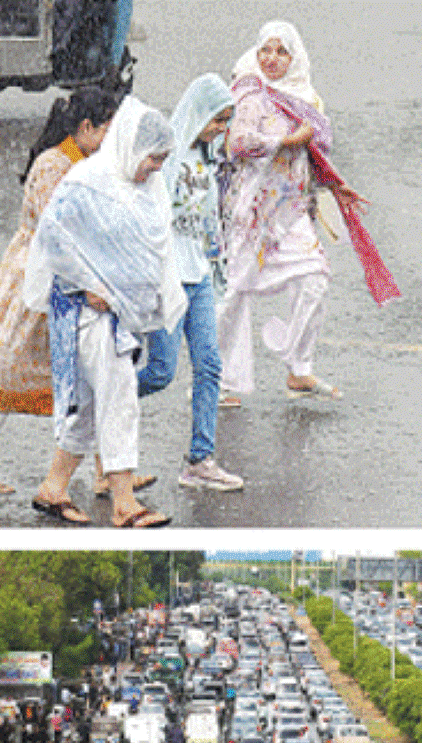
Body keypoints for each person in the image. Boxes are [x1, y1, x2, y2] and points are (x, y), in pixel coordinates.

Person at [21, 95, 184, 529]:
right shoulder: (88, 183)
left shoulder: (142, 189)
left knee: (91, 406)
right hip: (88, 315)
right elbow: (52, 240)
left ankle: (53, 489)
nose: (156, 168)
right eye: (153, 158)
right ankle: (125, 503)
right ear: (132, 145)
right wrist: (87, 285)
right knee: (118, 401)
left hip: (118, 316)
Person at [0, 88, 119, 497]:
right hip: (40, 275)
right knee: (9, 365)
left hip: (74, 274)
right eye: (108, 130)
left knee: (93, 371)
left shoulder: (85, 161)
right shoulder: (53, 165)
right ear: (85, 128)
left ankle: (108, 469)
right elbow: (59, 235)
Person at [219, 22, 369, 404]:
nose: (271, 59)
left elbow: (313, 153)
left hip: (291, 211)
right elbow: (238, 143)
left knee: (314, 278)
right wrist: (286, 140)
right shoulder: (250, 94)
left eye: (281, 51)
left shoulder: (306, 99)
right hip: (252, 212)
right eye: (265, 50)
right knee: (234, 294)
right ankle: (222, 380)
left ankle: (298, 369)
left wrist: (335, 184)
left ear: (295, 57)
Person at [146, 73, 246, 492]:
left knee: (209, 365)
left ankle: (201, 458)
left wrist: (215, 263)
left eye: (226, 121)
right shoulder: (166, 158)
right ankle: (99, 409)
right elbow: (151, 216)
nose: (220, 129)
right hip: (168, 276)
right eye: (216, 120)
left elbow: (209, 218)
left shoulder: (210, 158)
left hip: (199, 275)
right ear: (198, 112)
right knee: (160, 372)